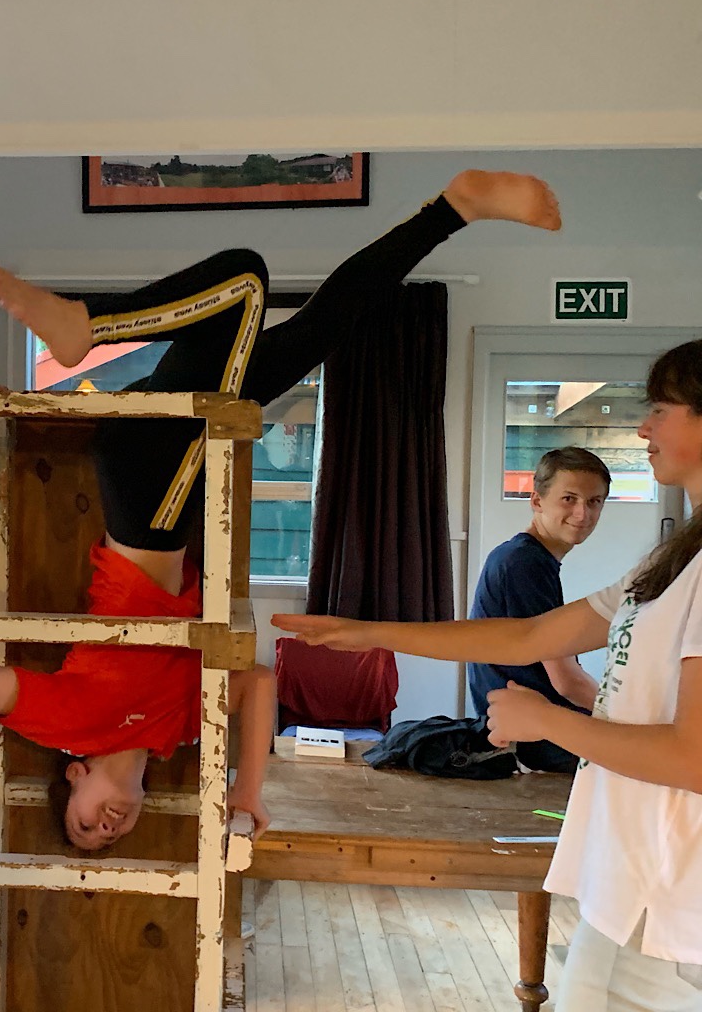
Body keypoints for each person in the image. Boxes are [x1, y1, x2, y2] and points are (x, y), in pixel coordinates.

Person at [0, 169, 563, 853]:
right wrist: (246, 788)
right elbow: (257, 684)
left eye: (83, 824)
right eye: (111, 836)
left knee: (246, 280)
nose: (105, 827)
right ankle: (453, 208)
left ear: (75, 777)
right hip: (175, 478)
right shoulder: (173, 728)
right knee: (318, 325)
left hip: (146, 495)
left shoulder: (72, 725)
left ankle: (87, 326)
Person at [273, 338, 702, 1011]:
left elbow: (693, 755)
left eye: (661, 409)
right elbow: (529, 636)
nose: (644, 427)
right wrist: (366, 632)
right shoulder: (669, 562)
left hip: (678, 888)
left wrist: (548, 721)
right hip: (627, 872)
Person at [468, 446, 611, 772]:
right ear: (536, 501)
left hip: (527, 730)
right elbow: (566, 682)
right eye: (569, 499)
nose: (582, 514)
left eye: (594, 502)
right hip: (532, 743)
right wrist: (627, 720)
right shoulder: (524, 563)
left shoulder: (526, 558)